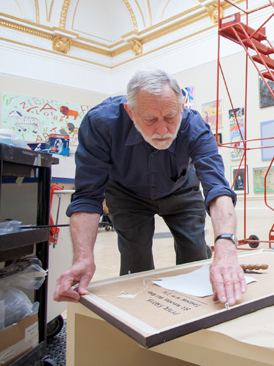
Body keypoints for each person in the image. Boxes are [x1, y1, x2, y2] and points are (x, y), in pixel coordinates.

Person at [54, 69, 246, 306]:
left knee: (194, 256)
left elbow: (218, 188)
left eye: (170, 116)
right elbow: (87, 197)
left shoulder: (195, 126)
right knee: (136, 264)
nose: (163, 130)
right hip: (126, 195)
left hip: (182, 190)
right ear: (130, 111)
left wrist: (226, 247)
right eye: (150, 120)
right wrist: (83, 258)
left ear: (182, 106)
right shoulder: (100, 124)